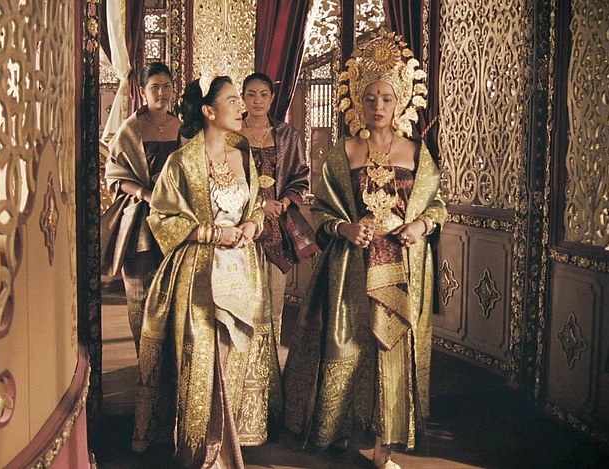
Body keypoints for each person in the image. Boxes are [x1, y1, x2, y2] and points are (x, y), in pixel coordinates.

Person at [282, 27, 446, 469]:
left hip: (404, 268)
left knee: (391, 351)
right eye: (370, 97)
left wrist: (421, 225)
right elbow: (320, 209)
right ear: (357, 99)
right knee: (350, 347)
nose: (378, 106)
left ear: (401, 101)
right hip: (352, 268)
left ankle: (383, 446)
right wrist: (345, 228)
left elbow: (438, 205)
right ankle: (335, 430)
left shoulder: (417, 152)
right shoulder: (344, 152)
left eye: (386, 98)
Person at [131, 75, 278, 468]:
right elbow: (162, 216)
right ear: (209, 111)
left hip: (242, 271)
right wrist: (213, 232)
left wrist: (252, 226)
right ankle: (200, 451)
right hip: (198, 273)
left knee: (233, 355)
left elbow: (256, 207)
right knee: (201, 358)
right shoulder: (182, 162)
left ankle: (226, 445)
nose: (242, 107)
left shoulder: (243, 156)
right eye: (232, 100)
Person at [100, 62, 181, 353]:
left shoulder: (181, 127)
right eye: (154, 87)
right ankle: (146, 363)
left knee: (173, 295)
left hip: (175, 219)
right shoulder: (130, 129)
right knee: (141, 295)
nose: (161, 93)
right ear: (143, 90)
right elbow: (114, 175)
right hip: (140, 223)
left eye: (166, 86)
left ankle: (170, 368)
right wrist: (145, 193)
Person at [237, 72, 315, 349]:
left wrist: (284, 203)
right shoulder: (232, 134)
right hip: (241, 223)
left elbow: (301, 176)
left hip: (277, 228)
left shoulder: (287, 135)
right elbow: (224, 178)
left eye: (263, 94)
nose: (257, 100)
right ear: (243, 98)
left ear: (271, 98)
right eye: (251, 94)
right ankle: (241, 362)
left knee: (274, 298)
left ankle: (269, 361)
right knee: (242, 296)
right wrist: (260, 203)